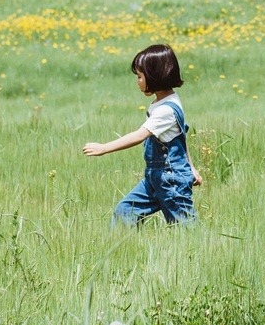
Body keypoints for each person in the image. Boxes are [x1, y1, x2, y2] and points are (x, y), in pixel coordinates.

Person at [83, 43, 202, 225]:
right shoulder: (164, 101)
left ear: (156, 76)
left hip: (171, 180)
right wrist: (191, 167)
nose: (137, 81)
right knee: (125, 212)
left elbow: (139, 135)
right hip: (155, 178)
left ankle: (197, 251)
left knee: (184, 227)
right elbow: (180, 138)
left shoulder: (166, 110)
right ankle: (123, 250)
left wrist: (104, 148)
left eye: (139, 76)